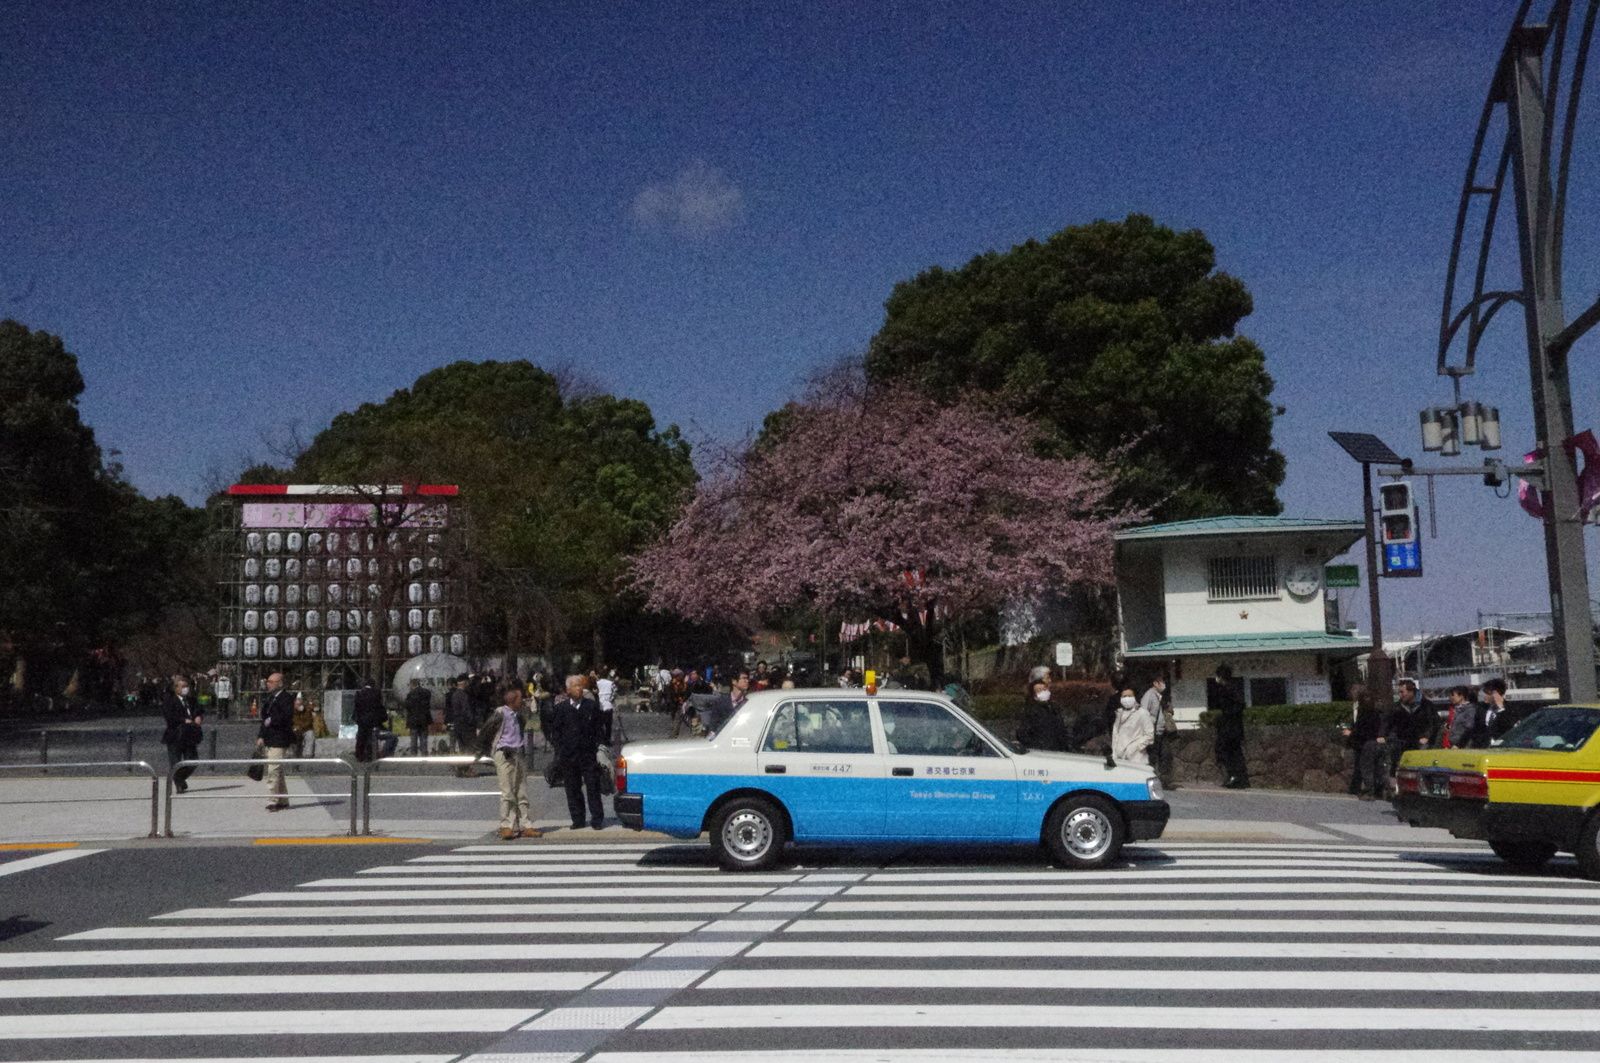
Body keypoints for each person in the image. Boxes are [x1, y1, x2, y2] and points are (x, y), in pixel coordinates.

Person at [544, 674, 608, 829]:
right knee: (572, 788)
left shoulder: (591, 706)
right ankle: (578, 819)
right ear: (568, 690)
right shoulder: (561, 708)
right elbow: (555, 731)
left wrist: (598, 744)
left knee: (593, 786)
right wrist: (559, 748)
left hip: (588, 753)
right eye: (576, 686)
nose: (580, 689)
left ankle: (597, 819)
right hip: (568, 755)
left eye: (581, 686)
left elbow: (599, 728)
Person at [477, 683, 540, 839]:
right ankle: (507, 825)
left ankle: (526, 825)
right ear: (513, 700)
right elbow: (486, 731)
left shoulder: (518, 715)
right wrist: (483, 751)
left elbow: (524, 723)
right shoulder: (500, 714)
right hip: (504, 753)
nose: (522, 701)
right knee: (507, 791)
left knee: (522, 791)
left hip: (518, 752)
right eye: (520, 699)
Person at [255, 672, 296, 811]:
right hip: (269, 738)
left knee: (273, 770)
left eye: (272, 682)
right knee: (278, 770)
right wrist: (260, 736)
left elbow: (286, 717)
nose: (268, 684)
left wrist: (272, 720)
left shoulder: (286, 698)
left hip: (280, 738)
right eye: (268, 681)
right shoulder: (270, 698)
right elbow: (264, 719)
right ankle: (283, 799)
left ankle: (272, 800)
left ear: (280, 683)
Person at [1385, 679, 1439, 775]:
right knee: (1395, 758)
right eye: (1399, 692)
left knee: (1422, 762)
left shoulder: (1426, 705)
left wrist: (1427, 737)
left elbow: (1434, 723)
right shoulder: (1397, 707)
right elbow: (1388, 723)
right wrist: (1385, 735)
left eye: (1402, 692)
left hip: (1421, 741)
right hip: (1403, 741)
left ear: (1411, 692)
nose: (1400, 695)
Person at [1342, 684, 1385, 800]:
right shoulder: (1361, 708)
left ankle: (1369, 791)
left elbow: (1363, 727)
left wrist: (1351, 734)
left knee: (1367, 767)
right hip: (1362, 740)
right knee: (1364, 766)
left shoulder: (1368, 710)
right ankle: (1359, 789)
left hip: (1366, 741)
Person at [162, 675, 203, 793]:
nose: (186, 689)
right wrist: (183, 720)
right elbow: (169, 717)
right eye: (183, 686)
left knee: (193, 761)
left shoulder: (191, 700)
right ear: (176, 688)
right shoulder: (170, 700)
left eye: (187, 686)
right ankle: (179, 784)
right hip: (175, 735)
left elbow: (199, 711)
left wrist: (199, 717)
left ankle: (179, 779)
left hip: (190, 735)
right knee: (175, 762)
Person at [1212, 664, 1249, 789]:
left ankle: (1235, 777)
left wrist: (1226, 715)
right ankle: (1236, 777)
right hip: (1234, 728)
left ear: (1220, 676)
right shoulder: (1234, 687)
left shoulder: (1227, 689)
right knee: (1234, 753)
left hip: (1230, 728)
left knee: (1230, 753)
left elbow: (1237, 705)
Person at [1016, 675, 1072, 752]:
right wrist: (1036, 746)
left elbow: (1061, 729)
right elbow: (1023, 733)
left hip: (1057, 749)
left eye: (1044, 689)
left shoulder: (1054, 708)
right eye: (1039, 690)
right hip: (1040, 750)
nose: (1043, 692)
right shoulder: (1030, 710)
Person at [1139, 676, 1172, 782]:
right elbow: (1143, 712)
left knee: (1165, 755)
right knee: (1153, 756)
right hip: (1153, 731)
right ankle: (1151, 778)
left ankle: (1162, 778)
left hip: (1161, 731)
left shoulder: (1160, 696)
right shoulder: (1149, 695)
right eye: (1161, 682)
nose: (1163, 685)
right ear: (1155, 683)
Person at [700, 670, 750, 739]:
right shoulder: (721, 702)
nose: (747, 681)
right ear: (734, 681)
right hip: (724, 740)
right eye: (744, 678)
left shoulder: (748, 701)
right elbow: (713, 724)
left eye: (747, 678)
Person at [1112, 686, 1155, 765]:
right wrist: (1114, 753)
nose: (1127, 698)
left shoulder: (1142, 713)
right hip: (1119, 758)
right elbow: (1116, 735)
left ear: (1135, 697)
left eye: (1129, 696)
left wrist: (1134, 747)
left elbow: (1149, 735)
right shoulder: (1119, 713)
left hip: (1136, 759)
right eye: (1124, 696)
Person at [1470, 677, 1512, 747]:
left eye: (1486, 692)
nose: (1483, 695)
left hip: (1503, 748)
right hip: (1482, 748)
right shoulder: (1482, 709)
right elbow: (1475, 729)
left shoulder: (1510, 709)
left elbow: (1509, 727)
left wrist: (1500, 708)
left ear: (1495, 693)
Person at [353, 678, 386, 763]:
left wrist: (357, 718)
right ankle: (370, 755)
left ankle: (359, 756)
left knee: (361, 739)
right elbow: (379, 706)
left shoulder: (359, 693)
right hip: (373, 720)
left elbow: (357, 708)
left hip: (362, 720)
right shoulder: (376, 693)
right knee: (371, 738)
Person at [404, 678, 433, 756]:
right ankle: (424, 754)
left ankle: (414, 755)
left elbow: (407, 706)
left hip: (413, 720)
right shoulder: (426, 693)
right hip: (424, 719)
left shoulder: (410, 694)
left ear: (412, 684)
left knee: (413, 739)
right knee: (424, 738)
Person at [447, 674, 475, 754]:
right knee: (468, 747)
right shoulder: (464, 695)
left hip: (457, 723)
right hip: (465, 725)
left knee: (461, 746)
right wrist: (472, 721)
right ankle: (467, 765)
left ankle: (462, 765)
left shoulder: (454, 694)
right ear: (465, 682)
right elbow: (466, 710)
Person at [1443, 685, 1477, 749]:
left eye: (1453, 695)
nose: (1451, 697)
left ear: (1461, 696)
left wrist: (1459, 744)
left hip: (1463, 745)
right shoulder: (1456, 710)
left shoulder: (1470, 710)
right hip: (1452, 744)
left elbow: (1469, 728)